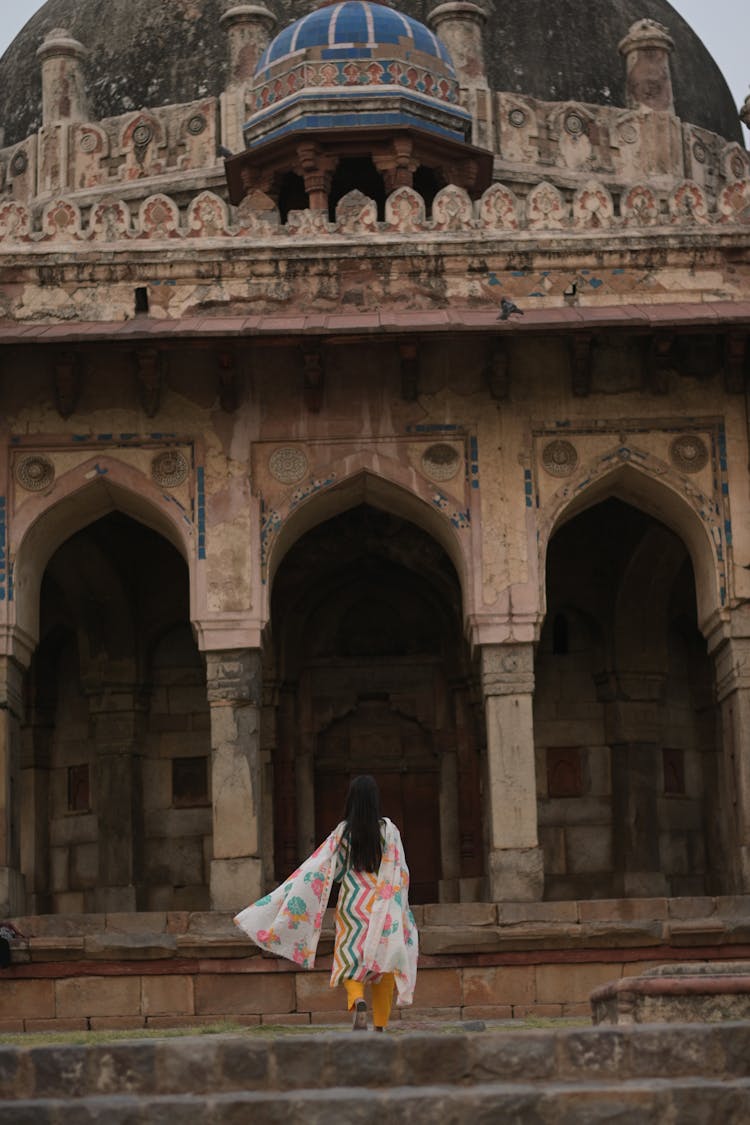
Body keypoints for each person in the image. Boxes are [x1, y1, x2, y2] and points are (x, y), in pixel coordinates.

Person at [234, 775, 418, 1031]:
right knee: (383, 964)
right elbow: (401, 870)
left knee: (348, 959)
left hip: (353, 903)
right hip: (383, 905)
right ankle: (380, 1025)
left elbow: (330, 868)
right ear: (376, 800)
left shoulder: (344, 831)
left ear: (351, 800)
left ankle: (357, 999)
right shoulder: (390, 831)